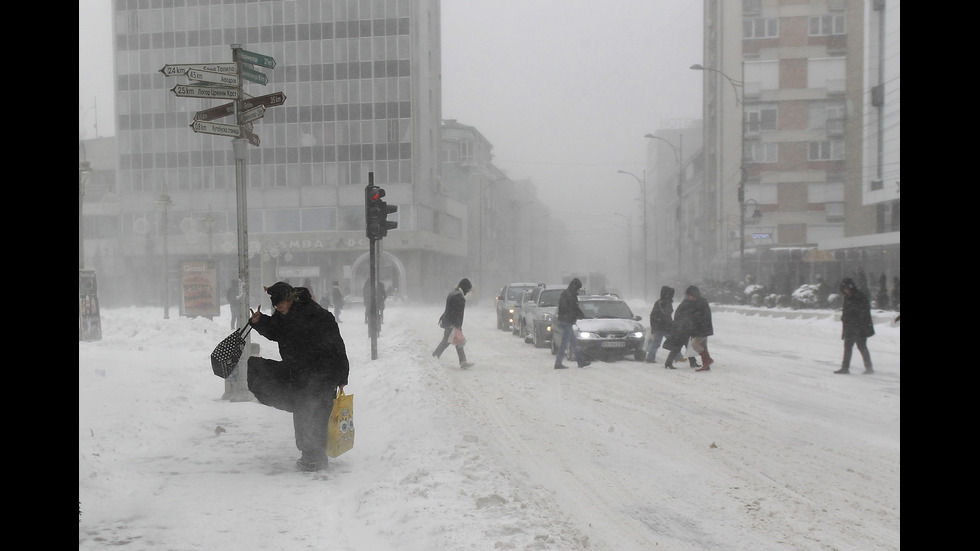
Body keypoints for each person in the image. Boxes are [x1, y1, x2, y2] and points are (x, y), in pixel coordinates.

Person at [245, 281, 350, 472]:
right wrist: (260, 322)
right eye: (276, 306)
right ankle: (310, 456)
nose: (279, 308)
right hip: (300, 375)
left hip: (322, 374)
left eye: (281, 304)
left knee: (316, 413)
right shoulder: (285, 315)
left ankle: (315, 458)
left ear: (290, 298)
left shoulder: (317, 315)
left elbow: (337, 345)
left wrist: (342, 376)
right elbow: (276, 331)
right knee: (304, 412)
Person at [835, 277, 874, 374]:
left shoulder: (858, 296)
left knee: (860, 346)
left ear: (849, 287)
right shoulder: (849, 297)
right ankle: (847, 367)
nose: (845, 291)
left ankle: (867, 367)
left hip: (859, 326)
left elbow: (862, 312)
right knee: (851, 346)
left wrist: (852, 320)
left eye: (845, 289)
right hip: (852, 326)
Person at [433, 278, 474, 369]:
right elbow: (457, 313)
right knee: (447, 342)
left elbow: (449, 310)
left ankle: (462, 361)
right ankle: (434, 357)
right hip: (453, 324)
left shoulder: (452, 293)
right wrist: (457, 326)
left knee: (457, 342)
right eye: (467, 289)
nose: (467, 292)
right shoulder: (459, 297)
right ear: (465, 288)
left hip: (448, 322)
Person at [672, 285, 714, 372]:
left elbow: (698, 317)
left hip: (701, 329)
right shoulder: (700, 301)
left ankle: (707, 360)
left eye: (689, 295)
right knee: (703, 346)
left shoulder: (699, 303)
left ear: (693, 295)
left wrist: (691, 324)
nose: (688, 297)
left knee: (694, 344)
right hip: (703, 328)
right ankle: (706, 365)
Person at [553, 278, 591, 369]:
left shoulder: (569, 294)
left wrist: (579, 314)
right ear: (575, 287)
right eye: (578, 288)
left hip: (566, 320)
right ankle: (558, 363)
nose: (578, 290)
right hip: (566, 321)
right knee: (564, 343)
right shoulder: (568, 295)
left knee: (574, 342)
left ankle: (580, 361)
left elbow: (574, 308)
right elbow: (570, 308)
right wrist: (575, 314)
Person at [645, 286, 674, 364]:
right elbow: (667, 315)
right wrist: (671, 324)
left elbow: (652, 315)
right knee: (673, 341)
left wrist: (653, 327)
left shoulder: (658, 302)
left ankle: (650, 357)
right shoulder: (667, 303)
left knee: (656, 343)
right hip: (666, 327)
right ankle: (678, 356)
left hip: (658, 327)